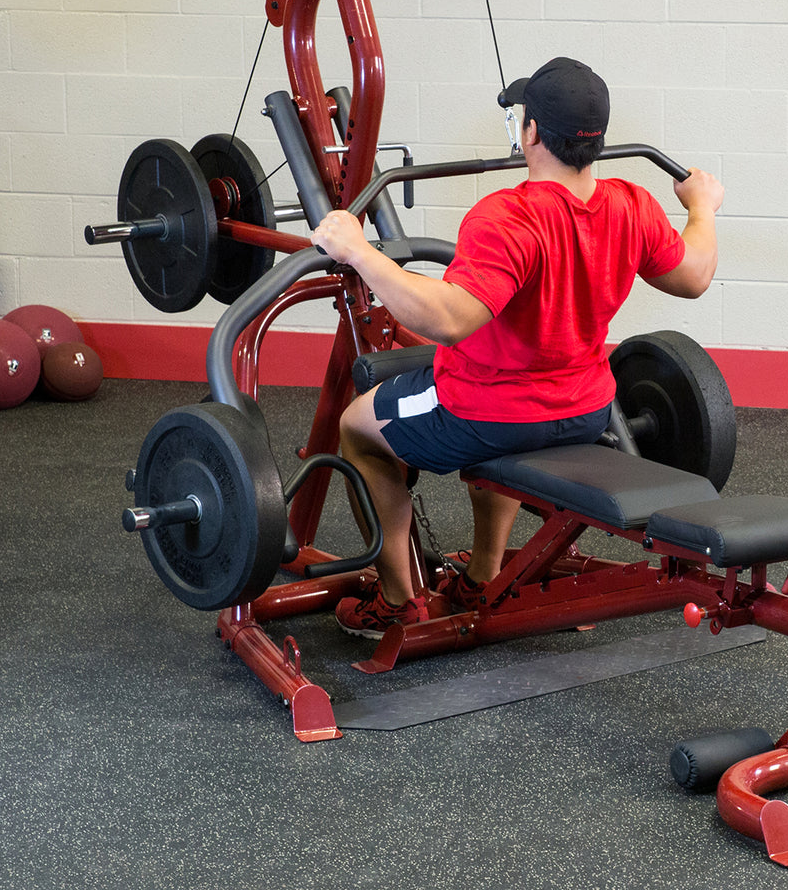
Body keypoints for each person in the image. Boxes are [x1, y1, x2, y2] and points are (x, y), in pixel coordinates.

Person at [310, 56, 725, 637]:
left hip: (485, 414)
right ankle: (482, 576)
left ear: (531, 132)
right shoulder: (632, 204)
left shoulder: (508, 218)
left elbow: (448, 320)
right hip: (586, 412)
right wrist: (701, 206)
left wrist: (357, 251)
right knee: (502, 424)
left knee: (358, 426)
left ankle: (398, 601)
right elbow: (696, 275)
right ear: (598, 141)